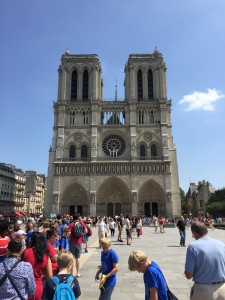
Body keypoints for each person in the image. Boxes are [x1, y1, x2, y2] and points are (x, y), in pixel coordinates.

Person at [184, 221, 225, 300]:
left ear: (195, 233)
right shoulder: (221, 244)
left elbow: (189, 275)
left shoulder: (193, 246)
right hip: (222, 289)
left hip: (203, 290)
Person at [22, 232, 52, 300]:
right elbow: (50, 276)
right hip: (38, 286)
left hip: (25, 287)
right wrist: (40, 277)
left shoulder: (25, 252)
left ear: (31, 240)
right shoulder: (46, 256)